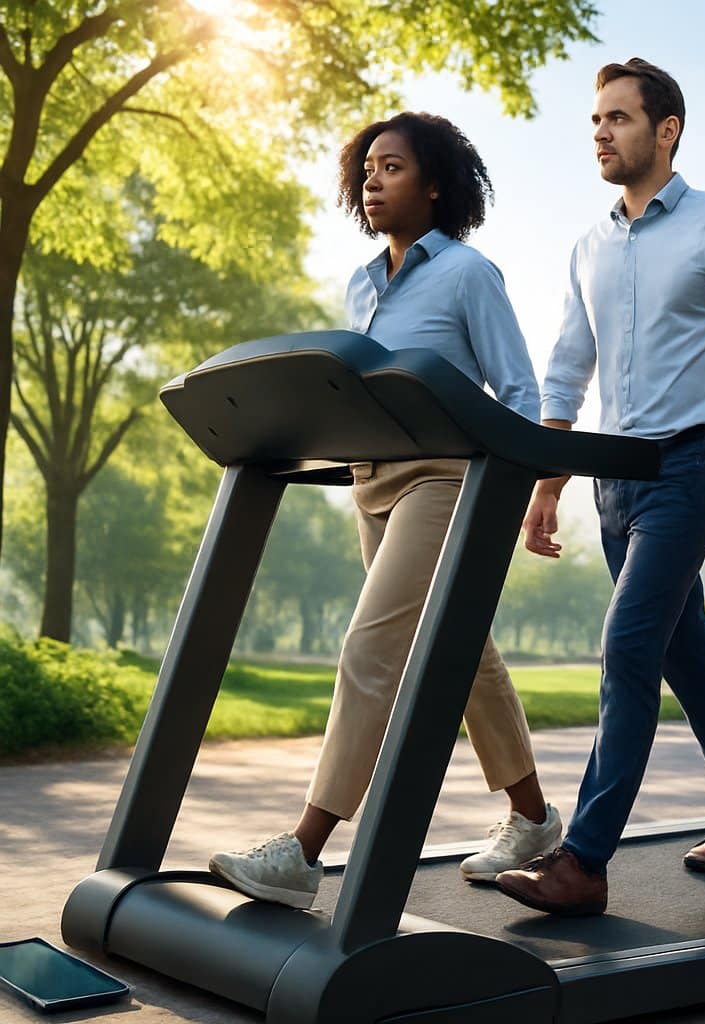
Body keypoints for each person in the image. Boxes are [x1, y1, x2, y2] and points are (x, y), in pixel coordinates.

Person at [209, 113, 561, 909]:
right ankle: (534, 818)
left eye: (392, 167)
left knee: (371, 649)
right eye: (366, 167)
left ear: (435, 184)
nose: (371, 179)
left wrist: (530, 488)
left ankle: (304, 849)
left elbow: (521, 390)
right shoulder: (362, 282)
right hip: (372, 483)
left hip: (445, 482)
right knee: (464, 651)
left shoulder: (469, 273)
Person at [494, 59, 705, 917]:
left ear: (666, 130)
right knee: (683, 654)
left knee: (628, 645)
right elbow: (566, 374)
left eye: (619, 118)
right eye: (596, 120)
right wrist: (547, 483)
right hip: (613, 481)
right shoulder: (587, 246)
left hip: (694, 465)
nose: (601, 132)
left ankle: (582, 861)